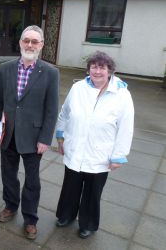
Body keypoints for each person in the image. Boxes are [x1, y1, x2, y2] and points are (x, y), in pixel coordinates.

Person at [55, 51, 134, 239]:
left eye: (102, 67)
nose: (97, 71)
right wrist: (60, 136)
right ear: (88, 69)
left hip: (100, 153)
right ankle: (66, 215)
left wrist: (119, 155)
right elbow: (65, 113)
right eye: (93, 66)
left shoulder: (122, 94)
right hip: (74, 147)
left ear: (110, 70)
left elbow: (126, 127)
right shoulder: (78, 88)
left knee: (92, 191)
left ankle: (88, 223)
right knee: (70, 186)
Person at [0, 25, 59, 240]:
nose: (30, 45)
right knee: (8, 175)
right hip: (9, 134)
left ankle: (30, 218)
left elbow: (52, 110)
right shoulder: (5, 68)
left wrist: (45, 139)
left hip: (34, 138)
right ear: (20, 42)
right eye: (26, 40)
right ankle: (10, 205)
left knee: (32, 181)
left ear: (41, 45)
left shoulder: (50, 72)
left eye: (34, 41)